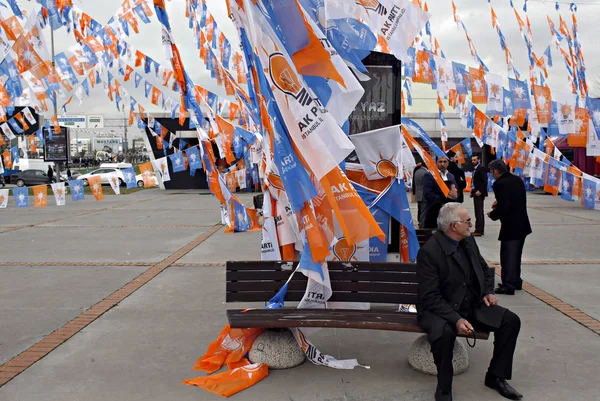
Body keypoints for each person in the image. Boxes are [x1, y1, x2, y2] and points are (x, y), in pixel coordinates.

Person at [417, 203, 523, 401]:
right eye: (467, 221)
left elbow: (484, 269)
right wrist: (456, 319)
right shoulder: (430, 252)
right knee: (445, 333)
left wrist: (487, 291)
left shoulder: (468, 241)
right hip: (439, 310)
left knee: (510, 321)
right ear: (453, 226)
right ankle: (444, 389)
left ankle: (495, 376)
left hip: (470, 304)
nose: (471, 224)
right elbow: (430, 296)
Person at [487, 160, 532, 295]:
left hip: (511, 225)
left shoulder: (500, 184)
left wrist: (493, 214)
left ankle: (508, 285)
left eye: (491, 172)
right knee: (516, 255)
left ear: (496, 171)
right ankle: (516, 280)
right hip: (522, 223)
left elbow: (504, 207)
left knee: (508, 256)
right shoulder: (516, 179)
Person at [422, 156, 458, 229]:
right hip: (434, 212)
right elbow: (427, 194)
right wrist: (445, 199)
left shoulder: (451, 176)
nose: (442, 164)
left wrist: (455, 197)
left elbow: (457, 191)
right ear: (436, 163)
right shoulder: (430, 175)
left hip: (449, 212)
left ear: (448, 163)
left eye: (445, 162)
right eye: (440, 161)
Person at [471, 155, 488, 236]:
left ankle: (479, 230)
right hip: (475, 192)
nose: (473, 161)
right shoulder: (475, 169)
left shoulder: (481, 168)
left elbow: (485, 181)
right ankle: (479, 229)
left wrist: (480, 191)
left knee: (479, 212)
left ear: (479, 160)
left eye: (475, 160)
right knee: (477, 211)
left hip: (479, 193)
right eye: (472, 160)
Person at [412, 158, 428, 228]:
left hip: (418, 194)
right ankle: (422, 226)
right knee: (423, 212)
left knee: (420, 210)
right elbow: (426, 185)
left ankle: (420, 223)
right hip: (423, 195)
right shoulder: (425, 173)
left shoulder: (417, 171)